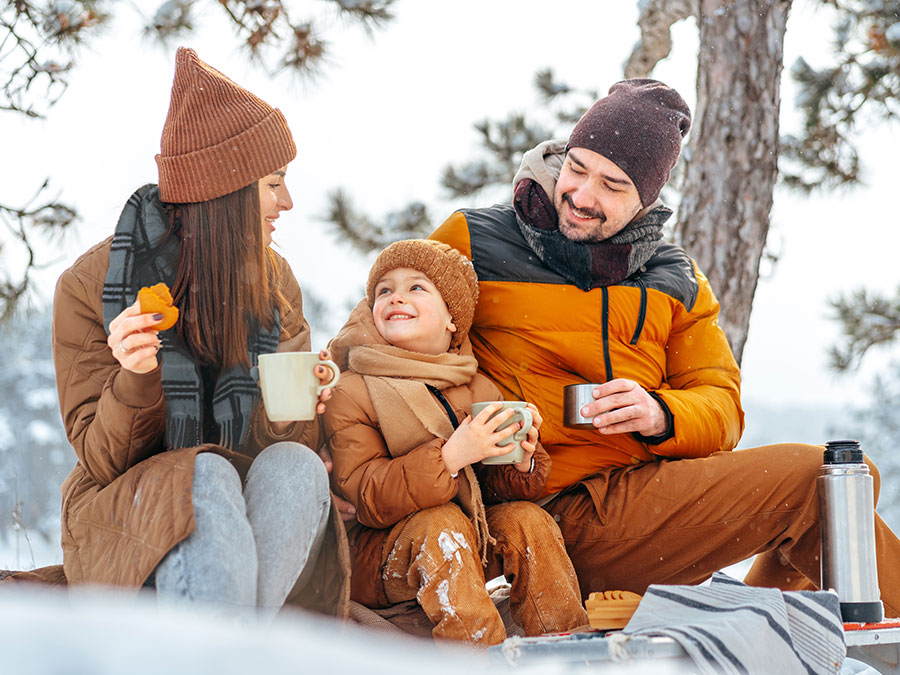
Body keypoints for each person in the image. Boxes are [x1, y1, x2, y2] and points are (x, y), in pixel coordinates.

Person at [423, 78, 900, 616]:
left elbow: (722, 405)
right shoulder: (476, 240)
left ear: (647, 197)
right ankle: (773, 620)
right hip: (537, 505)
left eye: (612, 184)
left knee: (846, 482)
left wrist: (659, 413)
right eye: (576, 168)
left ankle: (767, 618)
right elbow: (375, 332)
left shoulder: (676, 279)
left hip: (639, 494)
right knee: (825, 485)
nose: (582, 196)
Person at [51, 47, 349, 619]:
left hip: (241, 508)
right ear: (227, 189)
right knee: (203, 470)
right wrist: (137, 379)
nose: (287, 202)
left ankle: (226, 649)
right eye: (274, 183)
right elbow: (101, 458)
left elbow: (282, 447)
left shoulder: (275, 282)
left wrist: (298, 406)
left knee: (297, 467)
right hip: (126, 508)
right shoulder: (92, 288)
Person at [322, 239, 588, 646]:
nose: (396, 297)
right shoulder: (353, 389)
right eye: (384, 290)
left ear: (452, 319)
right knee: (440, 525)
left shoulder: (474, 384)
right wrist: (449, 458)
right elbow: (364, 493)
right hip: (376, 556)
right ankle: (477, 653)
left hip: (467, 536)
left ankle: (565, 640)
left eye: (416, 288)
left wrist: (521, 464)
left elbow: (490, 491)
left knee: (526, 521)